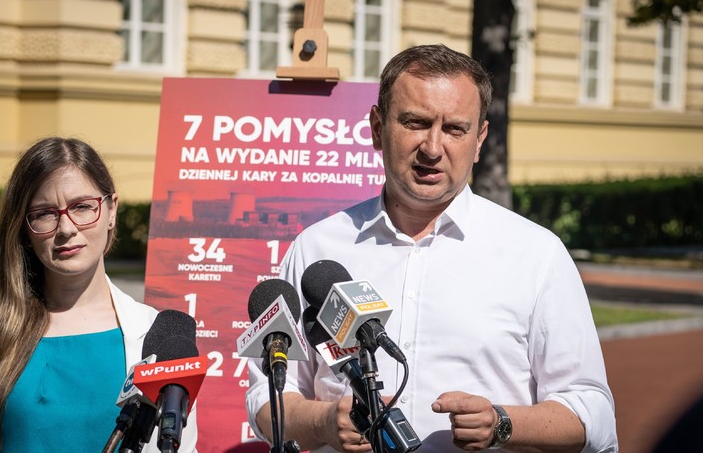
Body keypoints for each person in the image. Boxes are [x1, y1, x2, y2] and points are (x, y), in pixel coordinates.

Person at [245, 44, 618, 453]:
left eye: (455, 129)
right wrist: (323, 422)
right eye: (416, 123)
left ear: (480, 139)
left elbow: (593, 413)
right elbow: (266, 398)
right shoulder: (315, 248)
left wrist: (503, 422)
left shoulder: (537, 254)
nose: (433, 148)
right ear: (376, 127)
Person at [0, 137, 197, 452]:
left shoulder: (157, 338)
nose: (66, 228)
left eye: (82, 207)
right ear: (24, 228)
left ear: (112, 210)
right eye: (44, 213)